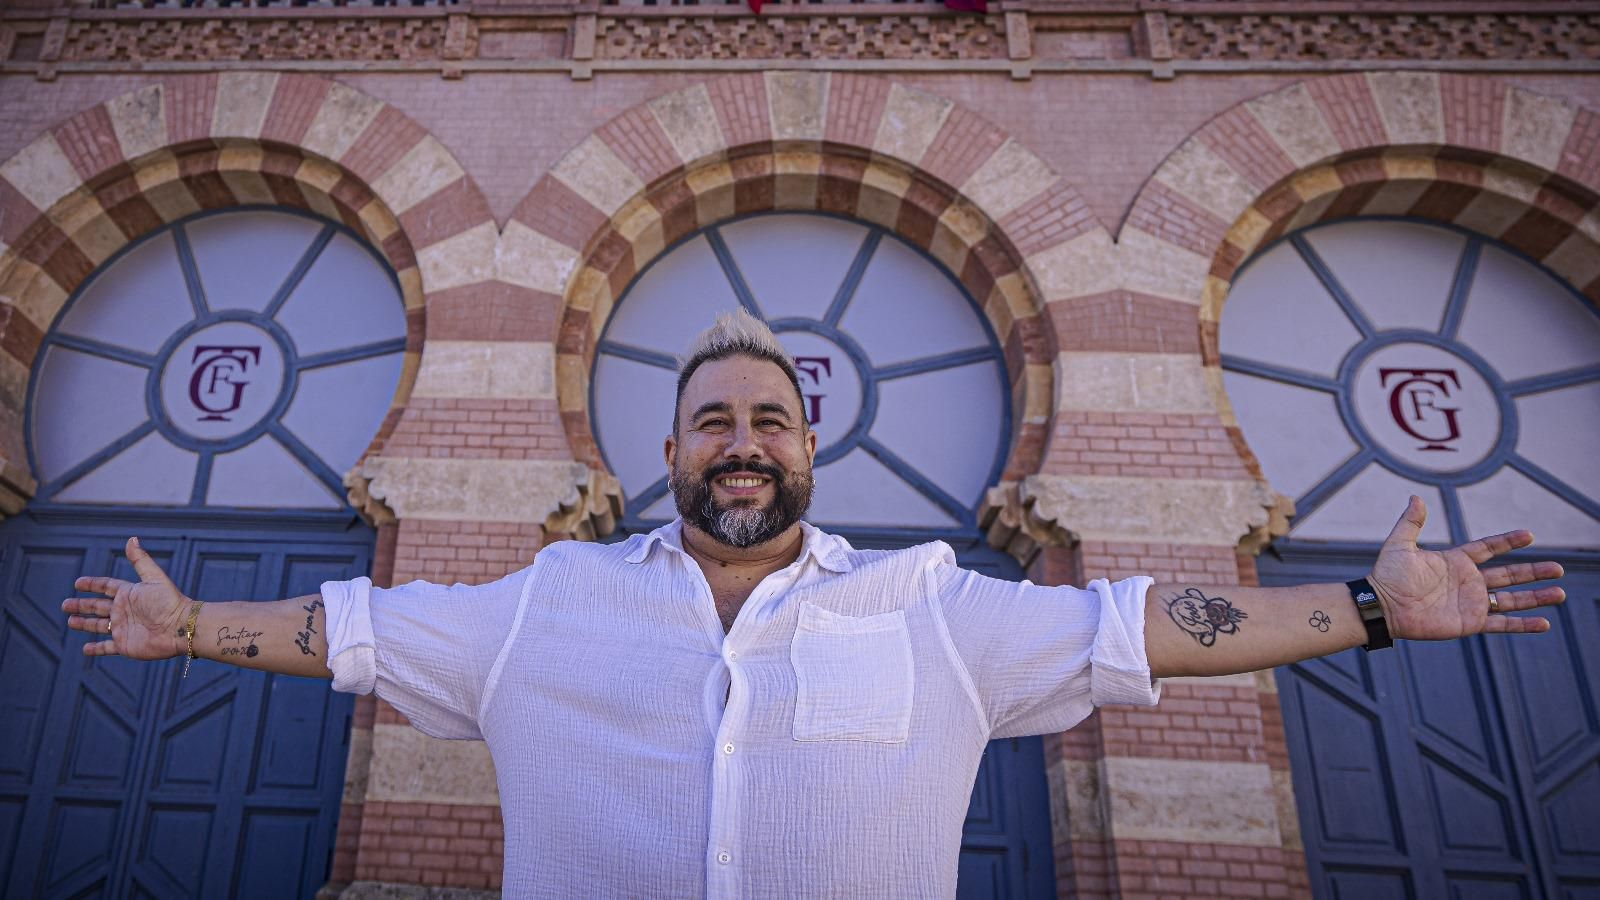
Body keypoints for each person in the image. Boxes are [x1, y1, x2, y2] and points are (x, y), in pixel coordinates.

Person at [62, 309, 1565, 897]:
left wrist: (1365, 613)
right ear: (667, 453)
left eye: (768, 420)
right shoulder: (548, 601)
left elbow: (1147, 627)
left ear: (808, 448)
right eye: (713, 421)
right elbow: (354, 629)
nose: (740, 444)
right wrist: (189, 625)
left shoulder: (930, 605)